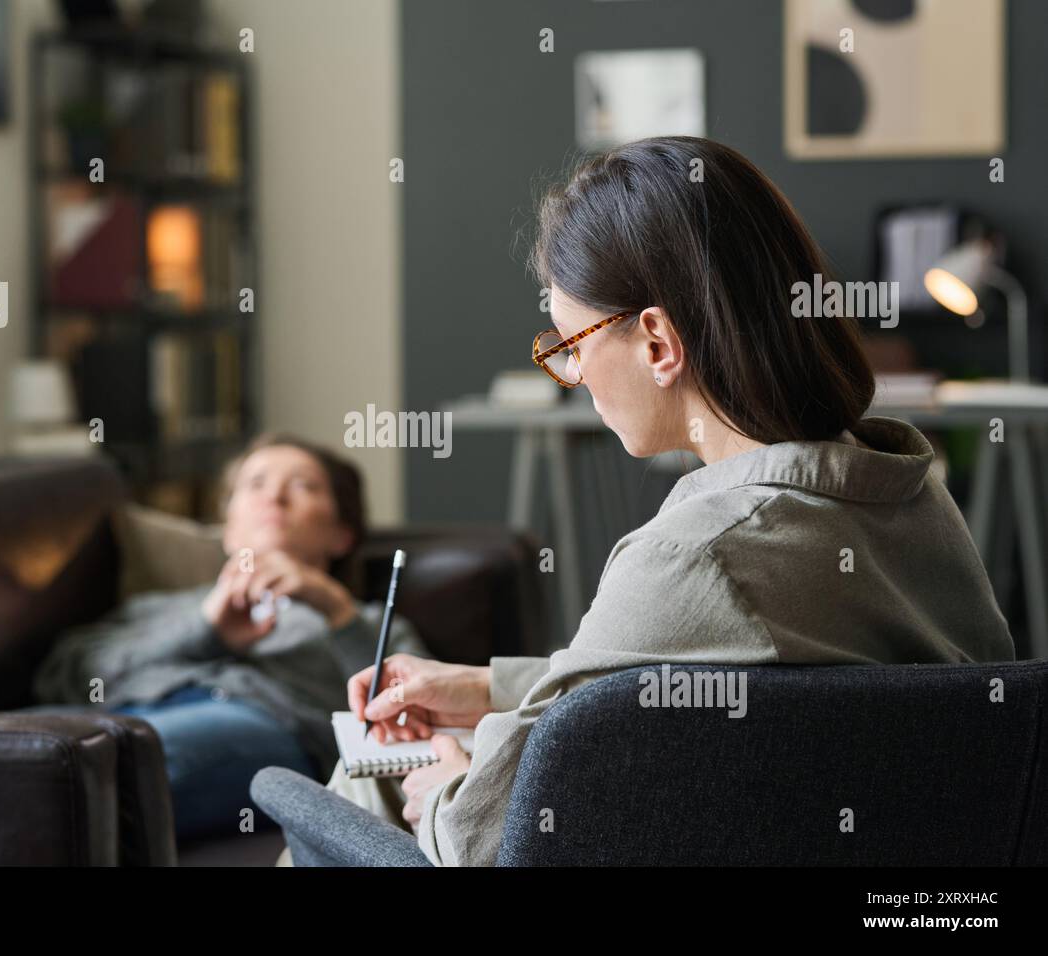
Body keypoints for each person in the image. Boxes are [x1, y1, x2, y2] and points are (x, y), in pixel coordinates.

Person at [321, 136, 1016, 866]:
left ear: (657, 341)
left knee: (352, 785)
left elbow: (486, 835)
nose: (577, 374)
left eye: (572, 342)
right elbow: (682, 673)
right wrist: (490, 686)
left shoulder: (695, 555)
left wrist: (446, 789)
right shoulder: (916, 502)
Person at [32, 433, 428, 842]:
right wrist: (207, 631)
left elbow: (416, 713)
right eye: (255, 484)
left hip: (261, 726)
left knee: (114, 763)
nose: (274, 497)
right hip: (119, 713)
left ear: (342, 534)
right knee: (9, 750)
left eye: (303, 485)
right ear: (227, 527)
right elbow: (62, 675)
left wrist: (336, 611)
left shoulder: (366, 620)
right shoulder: (170, 608)